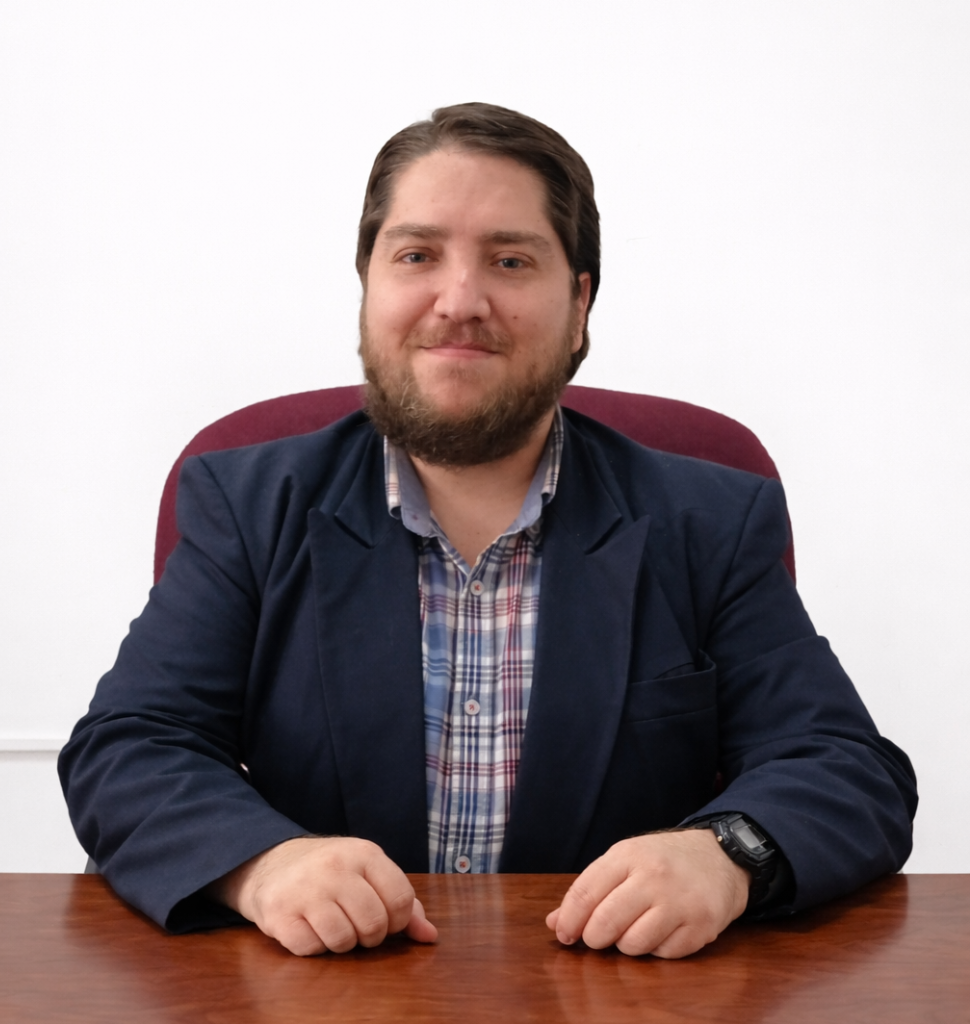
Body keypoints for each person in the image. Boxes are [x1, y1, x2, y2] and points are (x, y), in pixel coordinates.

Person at [59, 102, 917, 960]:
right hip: (325, 993)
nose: (460, 301)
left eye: (510, 260)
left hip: (614, 995)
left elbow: (845, 767)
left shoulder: (710, 521)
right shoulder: (248, 504)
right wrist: (262, 865)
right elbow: (129, 749)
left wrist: (727, 855)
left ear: (578, 304)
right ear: (368, 288)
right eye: (417, 256)